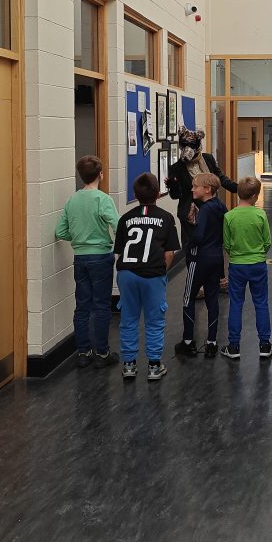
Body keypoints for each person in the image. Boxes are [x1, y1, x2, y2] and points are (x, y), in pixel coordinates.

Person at [114, 172, 180, 381]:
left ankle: (129, 365)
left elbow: (119, 252)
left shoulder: (125, 218)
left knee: (128, 319)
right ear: (159, 194)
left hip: (126, 273)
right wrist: (161, 272)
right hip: (153, 274)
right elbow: (169, 253)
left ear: (135, 195)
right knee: (154, 320)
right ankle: (153, 365)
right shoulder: (166, 218)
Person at [55, 155, 120, 369]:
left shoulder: (72, 200)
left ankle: (83, 352)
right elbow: (118, 227)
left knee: (82, 305)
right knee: (101, 305)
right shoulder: (103, 199)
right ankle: (102, 352)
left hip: (80, 258)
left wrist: (79, 238)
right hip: (101, 257)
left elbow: (60, 231)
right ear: (100, 174)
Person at [222, 175, 272, 360]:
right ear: (254, 196)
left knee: (236, 304)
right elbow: (267, 242)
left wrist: (236, 255)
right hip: (257, 264)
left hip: (237, 265)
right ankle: (265, 345)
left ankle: (234, 346)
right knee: (261, 303)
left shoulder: (229, 216)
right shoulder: (260, 215)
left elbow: (226, 244)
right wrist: (258, 254)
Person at [175, 172, 227, 358]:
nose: (192, 189)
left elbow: (198, 236)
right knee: (212, 299)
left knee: (188, 298)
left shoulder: (204, 210)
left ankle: (188, 341)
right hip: (216, 257)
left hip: (199, 259)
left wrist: (189, 245)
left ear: (207, 189)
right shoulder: (221, 206)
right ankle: (212, 342)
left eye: (195, 186)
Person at [166, 126, 237, 253]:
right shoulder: (176, 167)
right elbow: (176, 195)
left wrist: (239, 188)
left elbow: (220, 178)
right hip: (190, 214)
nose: (188, 150)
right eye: (185, 146)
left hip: (211, 210)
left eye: (191, 146)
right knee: (191, 248)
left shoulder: (208, 159)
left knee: (212, 245)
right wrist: (173, 185)